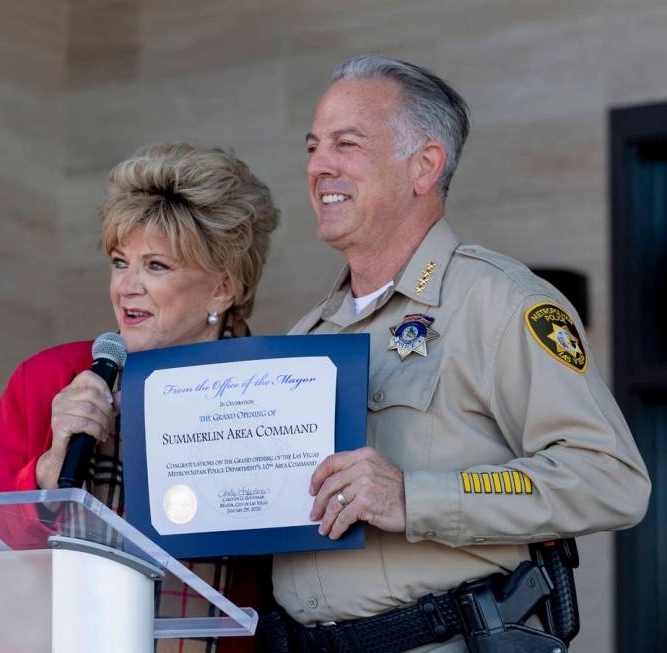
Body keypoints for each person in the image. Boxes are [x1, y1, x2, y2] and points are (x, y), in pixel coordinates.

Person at [265, 55, 651, 653]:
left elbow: (610, 477)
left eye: (346, 144)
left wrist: (414, 497)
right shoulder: (304, 339)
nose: (318, 167)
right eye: (313, 147)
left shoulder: (502, 303)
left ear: (424, 167)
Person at [0, 143, 280, 653]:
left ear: (222, 288)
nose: (127, 287)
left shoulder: (275, 393)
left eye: (156, 266)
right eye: (119, 262)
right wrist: (46, 477)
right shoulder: (49, 379)